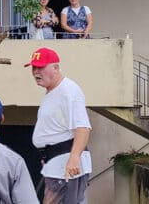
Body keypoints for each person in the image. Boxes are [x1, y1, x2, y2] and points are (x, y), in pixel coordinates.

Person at [25, 47, 92, 204]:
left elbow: (83, 127)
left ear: (55, 68)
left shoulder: (68, 91)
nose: (36, 72)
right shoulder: (53, 91)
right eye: (34, 67)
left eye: (40, 67)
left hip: (65, 166)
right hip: (56, 163)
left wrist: (74, 158)